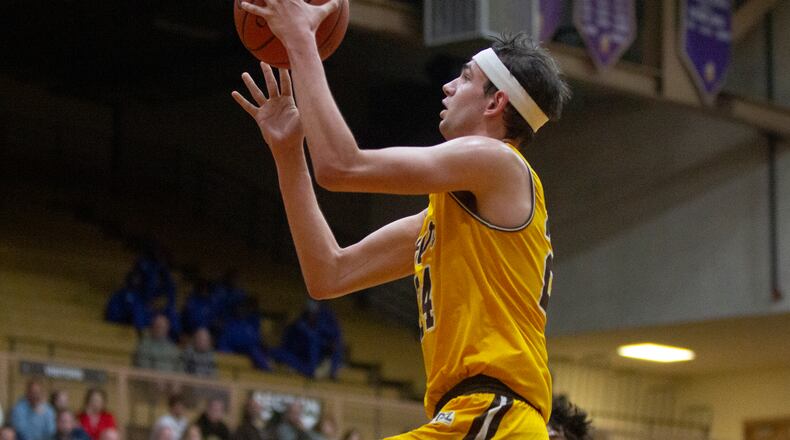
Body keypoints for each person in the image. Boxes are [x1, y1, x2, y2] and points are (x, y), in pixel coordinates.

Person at [233, 1, 570, 437]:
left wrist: (301, 38)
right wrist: (287, 154)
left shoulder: (498, 160)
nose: (448, 86)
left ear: (496, 102)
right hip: (476, 418)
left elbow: (341, 166)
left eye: (465, 77)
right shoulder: (451, 219)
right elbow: (329, 273)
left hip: (493, 415)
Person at [271, 300, 343, 379]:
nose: (311, 316)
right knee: (276, 353)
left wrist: (333, 372)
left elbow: (335, 345)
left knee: (314, 341)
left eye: (314, 313)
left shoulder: (327, 326)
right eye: (310, 313)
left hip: (317, 364)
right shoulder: (300, 324)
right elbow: (288, 343)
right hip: (300, 359)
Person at [216, 298, 270, 371]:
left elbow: (256, 341)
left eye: (244, 308)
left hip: (247, 349)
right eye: (240, 308)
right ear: (235, 309)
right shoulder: (228, 322)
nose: (242, 310)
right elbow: (224, 341)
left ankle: (267, 371)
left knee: (256, 351)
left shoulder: (248, 324)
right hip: (231, 349)